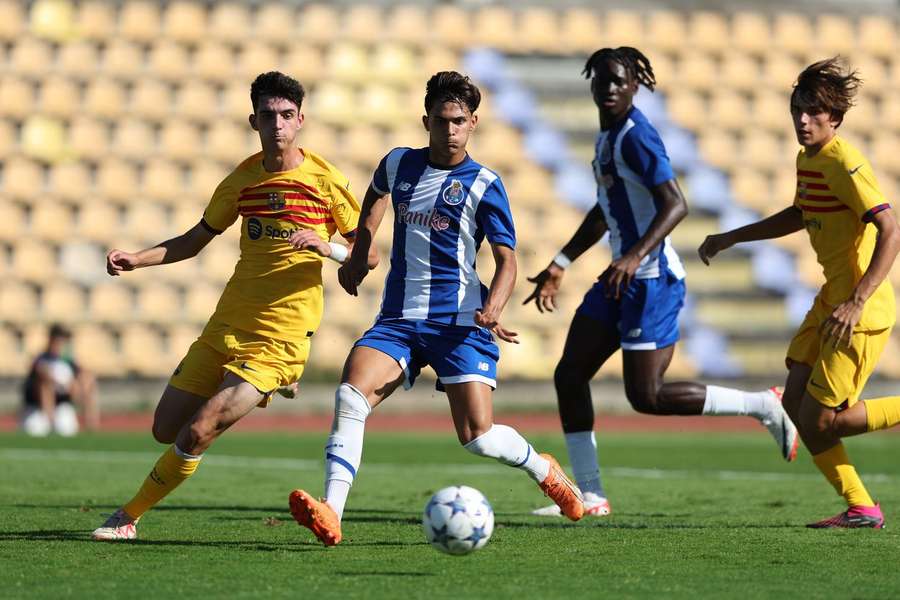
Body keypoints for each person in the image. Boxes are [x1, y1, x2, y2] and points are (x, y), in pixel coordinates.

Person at [288, 71, 585, 547]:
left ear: (474, 123)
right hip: (399, 320)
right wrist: (358, 259)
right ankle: (332, 512)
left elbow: (508, 261)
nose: (450, 131)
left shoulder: (485, 183)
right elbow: (373, 206)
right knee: (350, 397)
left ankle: (544, 468)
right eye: (442, 121)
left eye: (460, 122)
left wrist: (492, 308)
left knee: (478, 436)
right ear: (426, 119)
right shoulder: (398, 164)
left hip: (461, 323)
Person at [91, 71, 372, 540]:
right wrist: (136, 259)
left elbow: (369, 251)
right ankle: (264, 388)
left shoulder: (325, 180)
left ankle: (127, 517)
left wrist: (331, 250)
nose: (278, 125)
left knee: (198, 431)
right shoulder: (241, 181)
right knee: (165, 428)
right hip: (227, 325)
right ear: (253, 120)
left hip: (280, 338)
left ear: (301, 120)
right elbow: (195, 240)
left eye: (286, 115)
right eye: (268, 116)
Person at [524, 47, 798, 518]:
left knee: (645, 396)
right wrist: (562, 260)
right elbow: (605, 209)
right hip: (619, 278)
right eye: (602, 80)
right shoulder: (607, 137)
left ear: (635, 85)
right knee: (569, 374)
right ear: (591, 84)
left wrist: (632, 257)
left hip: (651, 280)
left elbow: (676, 203)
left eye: (618, 81)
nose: (609, 88)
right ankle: (590, 496)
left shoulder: (636, 137)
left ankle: (764, 404)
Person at [699, 58, 900, 528]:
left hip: (859, 308)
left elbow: (890, 230)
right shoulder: (807, 158)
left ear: (836, 118)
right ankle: (861, 507)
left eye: (813, 112)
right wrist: (733, 236)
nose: (803, 120)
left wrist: (857, 300)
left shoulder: (845, 162)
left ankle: (861, 504)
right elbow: (800, 212)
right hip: (832, 298)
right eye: (797, 110)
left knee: (825, 421)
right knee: (794, 403)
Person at [21, 324, 99, 437]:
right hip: (37, 410)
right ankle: (49, 423)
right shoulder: (42, 359)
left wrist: (78, 387)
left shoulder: (68, 362)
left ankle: (91, 427)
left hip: (62, 407)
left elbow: (84, 377)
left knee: (87, 380)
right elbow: (42, 378)